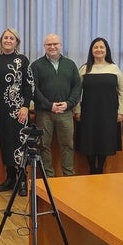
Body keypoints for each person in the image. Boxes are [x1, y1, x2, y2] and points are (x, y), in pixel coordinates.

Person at [0, 28, 34, 196]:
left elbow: (29, 85)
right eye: (5, 38)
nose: (8, 40)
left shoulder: (22, 60)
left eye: (12, 38)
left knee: (20, 144)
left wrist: (25, 106)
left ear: (17, 42)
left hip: (18, 110)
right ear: (1, 40)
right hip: (0, 109)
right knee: (6, 142)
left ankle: (22, 179)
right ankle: (10, 178)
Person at [73, 38, 123, 174]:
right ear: (91, 51)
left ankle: (100, 169)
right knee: (89, 141)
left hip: (108, 113)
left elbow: (122, 91)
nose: (99, 50)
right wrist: (77, 110)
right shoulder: (84, 69)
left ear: (106, 50)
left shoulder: (114, 68)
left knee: (105, 141)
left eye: (102, 47)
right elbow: (76, 92)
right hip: (88, 112)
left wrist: (121, 112)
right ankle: (92, 169)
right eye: (95, 47)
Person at [30, 33, 81, 177]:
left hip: (65, 113)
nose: (52, 47)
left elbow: (77, 87)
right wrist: (49, 105)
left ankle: (69, 175)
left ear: (61, 45)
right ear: (44, 47)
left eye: (55, 44)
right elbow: (34, 89)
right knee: (43, 145)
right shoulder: (36, 65)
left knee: (68, 145)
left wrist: (68, 104)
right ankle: (48, 177)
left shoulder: (70, 64)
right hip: (44, 113)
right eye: (48, 45)